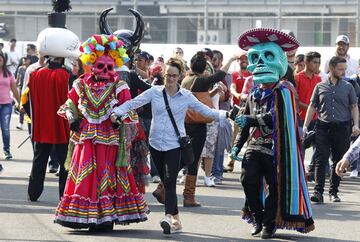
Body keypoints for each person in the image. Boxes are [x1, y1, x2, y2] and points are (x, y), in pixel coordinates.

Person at [112, 57, 227, 235]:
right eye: (168, 75)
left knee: (170, 180)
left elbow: (204, 110)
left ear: (180, 76)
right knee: (166, 180)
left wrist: (224, 115)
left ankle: (168, 217)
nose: (170, 79)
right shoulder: (154, 92)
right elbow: (134, 103)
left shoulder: (186, 96)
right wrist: (117, 112)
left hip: (175, 144)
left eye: (174, 76)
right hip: (155, 143)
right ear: (163, 75)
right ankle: (176, 220)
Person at [54, 33, 149, 231]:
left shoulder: (119, 85)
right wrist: (72, 118)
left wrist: (119, 118)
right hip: (86, 138)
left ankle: (106, 217)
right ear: (92, 63)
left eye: (110, 66)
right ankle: (83, 215)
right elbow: (70, 103)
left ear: (114, 65)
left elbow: (128, 107)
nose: (106, 70)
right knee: (86, 175)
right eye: (100, 66)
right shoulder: (81, 83)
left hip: (111, 140)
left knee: (107, 175)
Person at [236, 28, 315, 238]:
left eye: (267, 56)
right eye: (255, 58)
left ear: (279, 61)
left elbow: (276, 117)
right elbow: (244, 120)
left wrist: (249, 120)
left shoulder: (284, 89)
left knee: (275, 188)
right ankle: (258, 217)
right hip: (254, 146)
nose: (260, 63)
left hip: (277, 150)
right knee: (248, 181)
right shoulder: (254, 92)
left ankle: (269, 224)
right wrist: (237, 144)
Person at [27, 0, 81, 202]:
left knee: (39, 159)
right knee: (65, 161)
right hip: (62, 126)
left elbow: (28, 101)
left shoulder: (36, 74)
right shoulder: (66, 76)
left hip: (41, 126)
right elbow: (73, 102)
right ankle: (64, 195)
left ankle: (33, 193)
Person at [303, 56, 360, 203]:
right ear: (332, 68)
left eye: (344, 69)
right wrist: (305, 125)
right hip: (323, 127)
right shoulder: (320, 86)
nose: (343, 72)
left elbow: (354, 107)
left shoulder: (348, 87)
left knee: (338, 160)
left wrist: (356, 125)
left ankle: (333, 191)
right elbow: (312, 107)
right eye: (340, 69)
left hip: (342, 128)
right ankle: (318, 192)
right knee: (320, 159)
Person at [0, 52, 20, 161]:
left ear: (3, 60)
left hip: (6, 105)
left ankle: (6, 150)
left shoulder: (8, 74)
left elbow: (14, 90)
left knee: (5, 128)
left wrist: (20, 103)